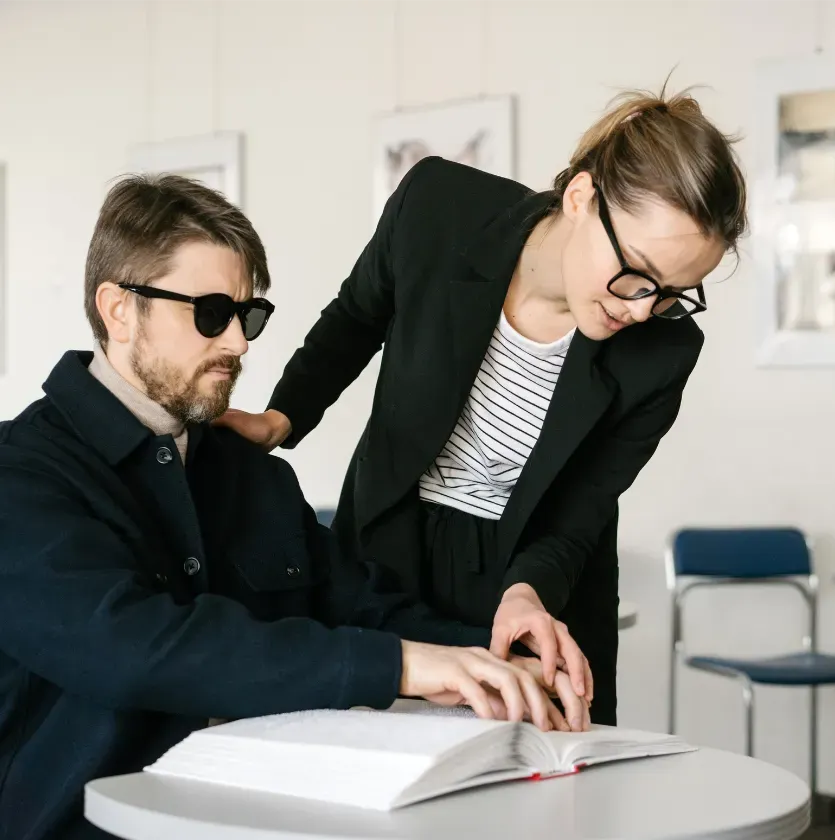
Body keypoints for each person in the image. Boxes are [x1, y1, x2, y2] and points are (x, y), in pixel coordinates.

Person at [0, 175, 588, 840]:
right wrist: (401, 665)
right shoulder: (21, 476)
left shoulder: (250, 475)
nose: (240, 346)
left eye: (247, 317)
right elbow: (135, 646)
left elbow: (365, 603)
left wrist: (495, 658)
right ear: (118, 310)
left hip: (260, 819)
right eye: (212, 314)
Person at [215, 84, 749, 725]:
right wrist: (283, 416)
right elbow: (357, 316)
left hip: (534, 578)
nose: (640, 309)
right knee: (373, 766)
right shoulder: (439, 208)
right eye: (636, 271)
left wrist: (527, 593)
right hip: (391, 542)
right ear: (581, 197)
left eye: (672, 292)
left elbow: (580, 507)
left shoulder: (664, 350)